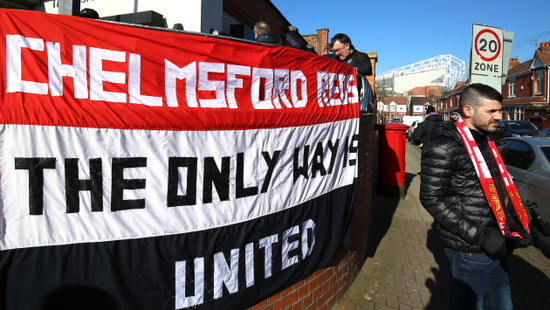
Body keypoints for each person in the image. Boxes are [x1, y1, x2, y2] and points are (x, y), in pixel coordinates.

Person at [419, 83, 532, 310]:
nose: (499, 117)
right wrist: (480, 236)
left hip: (497, 241)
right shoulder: (444, 147)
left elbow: (494, 192)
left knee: (502, 305)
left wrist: (516, 224)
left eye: (499, 110)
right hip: (468, 249)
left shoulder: (487, 141)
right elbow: (431, 199)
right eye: (492, 111)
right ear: (468, 110)